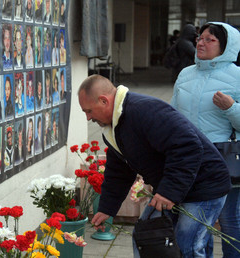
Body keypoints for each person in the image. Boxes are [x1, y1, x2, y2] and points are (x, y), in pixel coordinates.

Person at [81, 75, 231, 257]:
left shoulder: (144, 110)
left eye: (89, 111)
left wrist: (168, 192)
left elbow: (188, 147)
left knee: (187, 246)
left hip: (205, 185)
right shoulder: (112, 126)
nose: (88, 118)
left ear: (104, 101)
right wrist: (107, 208)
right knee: (146, 237)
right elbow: (118, 172)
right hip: (175, 186)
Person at [171, 22, 240, 257]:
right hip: (189, 160)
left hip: (224, 160)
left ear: (226, 46)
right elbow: (173, 115)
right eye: (200, 37)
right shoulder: (185, 74)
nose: (201, 42)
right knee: (198, 223)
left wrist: (231, 108)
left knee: (229, 221)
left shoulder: (237, 76)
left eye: (210, 39)